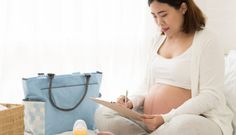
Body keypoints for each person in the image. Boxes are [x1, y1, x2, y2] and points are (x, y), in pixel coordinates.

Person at [95, 0, 234, 135]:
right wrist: (131, 102)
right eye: (154, 16)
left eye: (163, 14)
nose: (159, 22)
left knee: (182, 126)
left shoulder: (207, 40)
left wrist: (166, 118)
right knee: (103, 113)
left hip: (192, 121)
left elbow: (211, 95)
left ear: (183, 8)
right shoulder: (157, 40)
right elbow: (146, 87)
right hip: (150, 122)